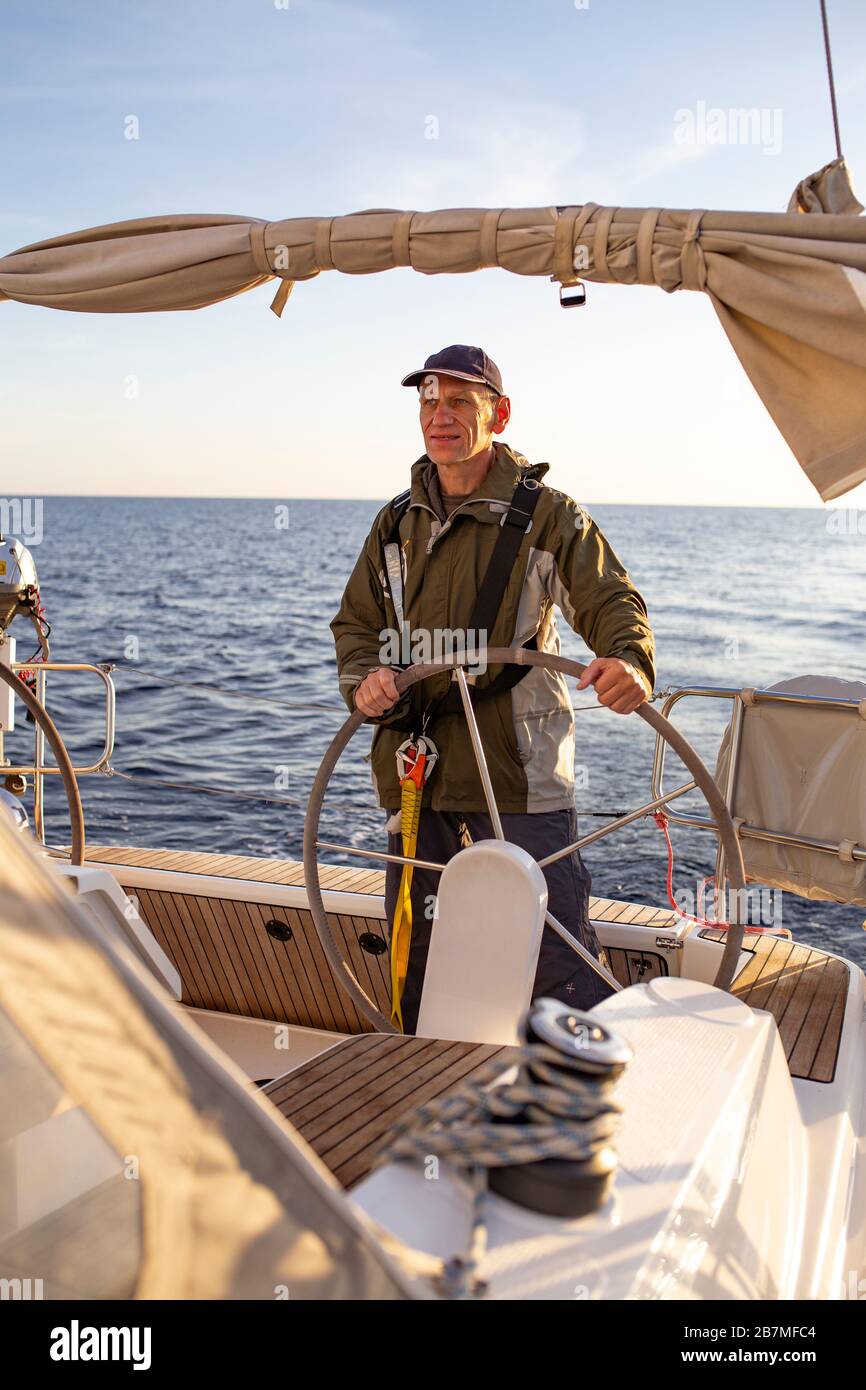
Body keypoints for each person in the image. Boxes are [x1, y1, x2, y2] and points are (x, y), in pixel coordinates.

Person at [331, 344, 655, 1033]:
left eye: (458, 402)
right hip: (417, 777)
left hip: (519, 777)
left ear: (497, 414)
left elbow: (610, 600)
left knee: (556, 954)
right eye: (428, 401)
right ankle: (427, 1090)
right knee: (416, 955)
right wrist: (364, 682)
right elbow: (357, 625)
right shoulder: (395, 522)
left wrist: (627, 659)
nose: (438, 416)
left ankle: (583, 1104)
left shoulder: (549, 516)